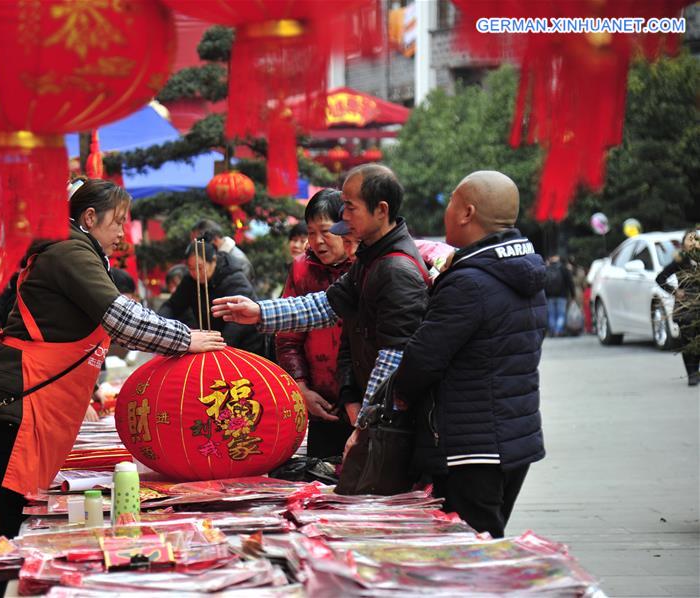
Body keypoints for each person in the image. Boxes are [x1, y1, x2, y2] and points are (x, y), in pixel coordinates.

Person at [0, 179, 224, 545]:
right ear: (90, 217)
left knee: (23, 512)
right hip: (23, 398)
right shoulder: (70, 252)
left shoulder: (75, 248)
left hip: (30, 396)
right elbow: (121, 318)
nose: (122, 234)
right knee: (19, 520)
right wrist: (185, 338)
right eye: (118, 221)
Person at [211, 164, 430, 460]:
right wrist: (259, 312)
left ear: (380, 210)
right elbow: (326, 305)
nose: (345, 216)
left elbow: (392, 357)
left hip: (390, 425)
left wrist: (365, 425)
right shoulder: (371, 260)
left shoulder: (395, 269)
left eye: (350, 208)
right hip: (358, 409)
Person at [389, 170, 546, 538]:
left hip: (470, 444)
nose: (446, 212)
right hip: (514, 437)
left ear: (467, 213)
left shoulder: (469, 281)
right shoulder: (524, 271)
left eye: (450, 204)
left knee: (472, 550)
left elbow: (424, 359)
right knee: (488, 539)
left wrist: (397, 397)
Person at [276, 190, 357, 458]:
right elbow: (288, 337)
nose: (317, 241)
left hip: (363, 405)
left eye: (325, 231)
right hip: (320, 403)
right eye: (311, 233)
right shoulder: (301, 269)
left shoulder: (365, 266)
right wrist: (301, 388)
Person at [160, 236, 266, 356]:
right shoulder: (190, 281)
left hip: (245, 345)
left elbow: (236, 324)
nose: (195, 273)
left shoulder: (234, 279)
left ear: (213, 261)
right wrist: (160, 327)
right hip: (213, 342)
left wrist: (218, 347)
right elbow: (172, 305)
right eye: (191, 268)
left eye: (200, 267)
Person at [656, 229, 700, 386]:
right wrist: (675, 291)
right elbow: (660, 278)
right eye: (690, 240)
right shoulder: (680, 261)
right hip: (686, 307)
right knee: (688, 341)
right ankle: (692, 374)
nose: (694, 243)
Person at [544, 254, 574, 337]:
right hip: (562, 296)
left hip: (549, 296)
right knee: (561, 314)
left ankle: (553, 331)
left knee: (551, 314)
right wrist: (572, 294)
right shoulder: (563, 268)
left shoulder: (547, 269)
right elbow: (570, 282)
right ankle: (558, 330)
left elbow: (544, 283)